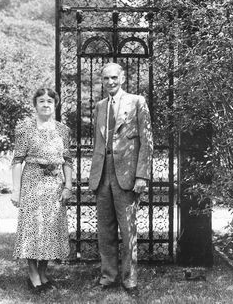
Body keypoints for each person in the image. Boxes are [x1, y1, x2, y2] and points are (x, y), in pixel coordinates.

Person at [89, 62, 153, 296]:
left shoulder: (137, 102)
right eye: (106, 79)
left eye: (114, 77)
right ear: (102, 81)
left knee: (128, 231)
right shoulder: (99, 106)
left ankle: (130, 280)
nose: (110, 82)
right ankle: (108, 276)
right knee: (105, 230)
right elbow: (98, 144)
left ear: (123, 78)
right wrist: (93, 176)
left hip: (127, 176)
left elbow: (147, 142)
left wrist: (141, 175)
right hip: (102, 176)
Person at [10, 87, 73, 293]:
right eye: (41, 101)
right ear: (35, 104)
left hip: (54, 185)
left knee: (51, 229)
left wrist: (68, 186)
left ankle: (44, 273)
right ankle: (32, 274)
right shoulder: (25, 129)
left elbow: (68, 161)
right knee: (32, 228)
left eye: (50, 101)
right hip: (32, 183)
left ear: (55, 105)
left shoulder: (63, 130)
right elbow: (17, 161)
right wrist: (16, 191)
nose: (46, 104)